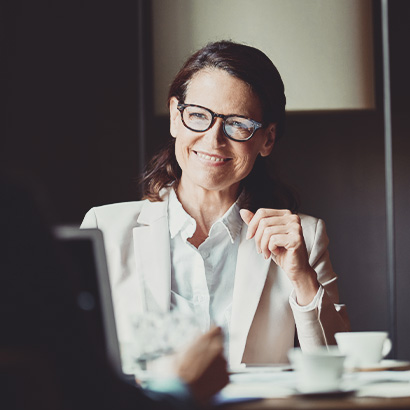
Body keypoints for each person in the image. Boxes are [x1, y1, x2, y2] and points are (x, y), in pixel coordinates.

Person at [81, 40, 350, 367]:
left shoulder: (303, 236)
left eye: (237, 123)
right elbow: (72, 359)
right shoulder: (105, 229)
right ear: (175, 118)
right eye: (198, 115)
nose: (213, 139)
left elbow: (339, 369)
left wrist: (302, 277)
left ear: (267, 138)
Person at [0, 175, 228, 410]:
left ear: (268, 140)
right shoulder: (14, 209)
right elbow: (85, 386)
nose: (215, 140)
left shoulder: (11, 208)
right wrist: (182, 391)